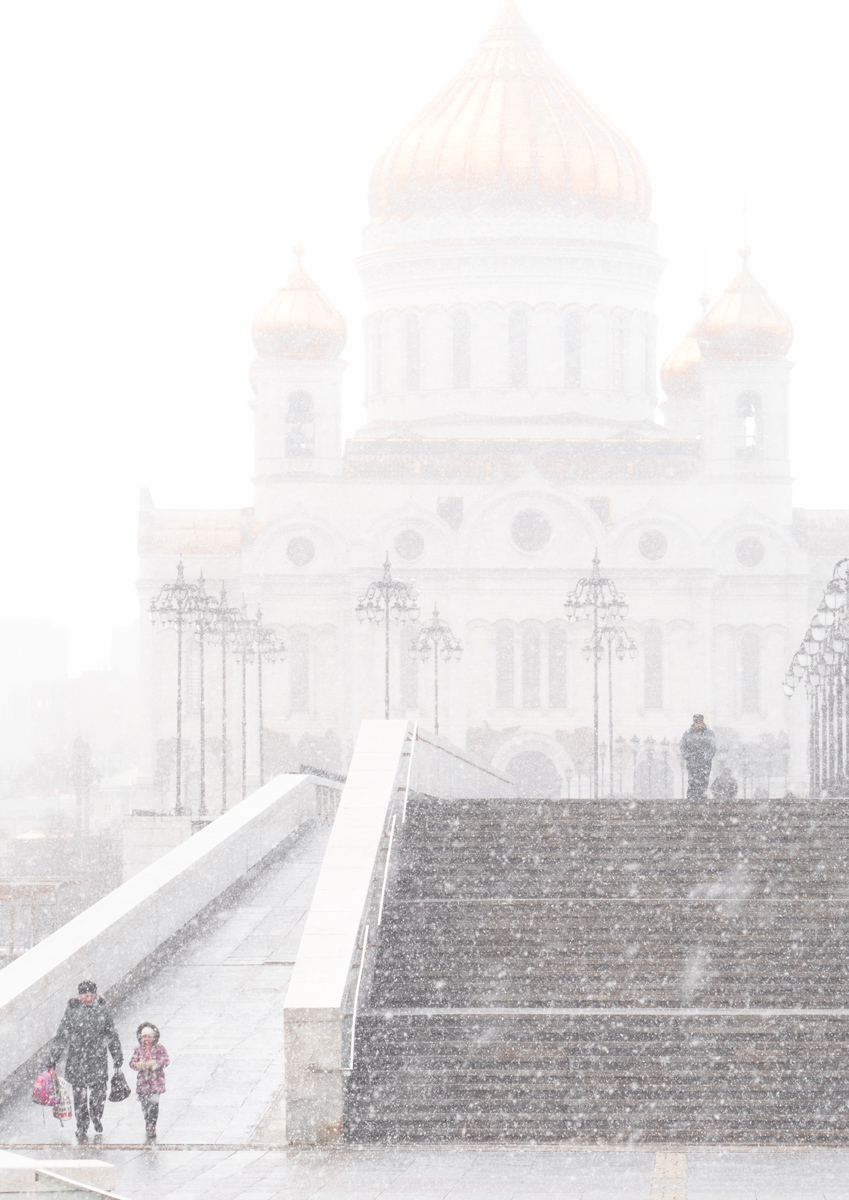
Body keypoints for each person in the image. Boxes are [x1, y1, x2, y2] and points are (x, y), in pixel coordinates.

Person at [48, 980, 123, 1144]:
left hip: (98, 1060)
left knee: (98, 1094)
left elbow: (111, 1035)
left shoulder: (103, 1010)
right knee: (80, 1099)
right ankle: (82, 1125)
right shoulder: (72, 1012)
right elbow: (61, 1036)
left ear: (95, 994)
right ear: (79, 995)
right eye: (84, 995)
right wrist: (53, 1057)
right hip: (77, 1061)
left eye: (90, 995)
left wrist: (117, 1056)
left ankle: (96, 1116)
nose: (88, 998)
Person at [129, 1022, 169, 1145]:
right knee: (145, 1106)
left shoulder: (159, 1048)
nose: (147, 1039)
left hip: (156, 1082)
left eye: (149, 1036)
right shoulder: (138, 1049)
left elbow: (165, 1060)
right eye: (144, 1036)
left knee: (154, 1105)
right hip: (143, 1083)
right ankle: (148, 1122)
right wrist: (137, 1065)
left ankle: (152, 1125)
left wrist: (155, 1063)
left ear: (154, 1037)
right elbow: (132, 1063)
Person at [680, 713, 716, 799]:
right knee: (692, 782)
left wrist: (706, 758)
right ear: (694, 722)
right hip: (692, 763)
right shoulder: (687, 734)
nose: (698, 725)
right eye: (697, 722)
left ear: (702, 722)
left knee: (703, 782)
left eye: (700, 722)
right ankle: (692, 799)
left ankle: (701, 799)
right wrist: (689, 757)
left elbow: (712, 748)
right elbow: (682, 747)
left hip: (704, 763)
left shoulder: (709, 733)